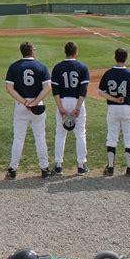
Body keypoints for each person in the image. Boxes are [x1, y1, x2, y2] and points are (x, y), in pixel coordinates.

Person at [5, 42, 52, 180]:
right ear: (32, 51)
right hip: (37, 106)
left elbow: (9, 88)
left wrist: (24, 102)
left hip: (21, 106)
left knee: (18, 139)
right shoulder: (41, 66)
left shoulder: (14, 67)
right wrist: (35, 102)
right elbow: (48, 87)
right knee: (40, 138)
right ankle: (45, 169)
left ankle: (13, 169)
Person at [51, 42, 90, 176]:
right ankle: (81, 165)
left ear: (65, 51)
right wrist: (78, 108)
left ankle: (58, 165)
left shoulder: (57, 67)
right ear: (76, 52)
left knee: (61, 134)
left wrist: (60, 107)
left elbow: (55, 90)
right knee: (80, 134)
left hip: (62, 101)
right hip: (77, 101)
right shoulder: (83, 67)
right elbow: (83, 90)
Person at [99, 48, 130, 176]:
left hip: (113, 109)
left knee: (111, 137)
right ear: (126, 58)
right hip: (127, 109)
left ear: (114, 57)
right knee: (129, 137)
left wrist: (115, 98)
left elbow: (101, 92)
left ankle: (110, 168)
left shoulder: (108, 73)